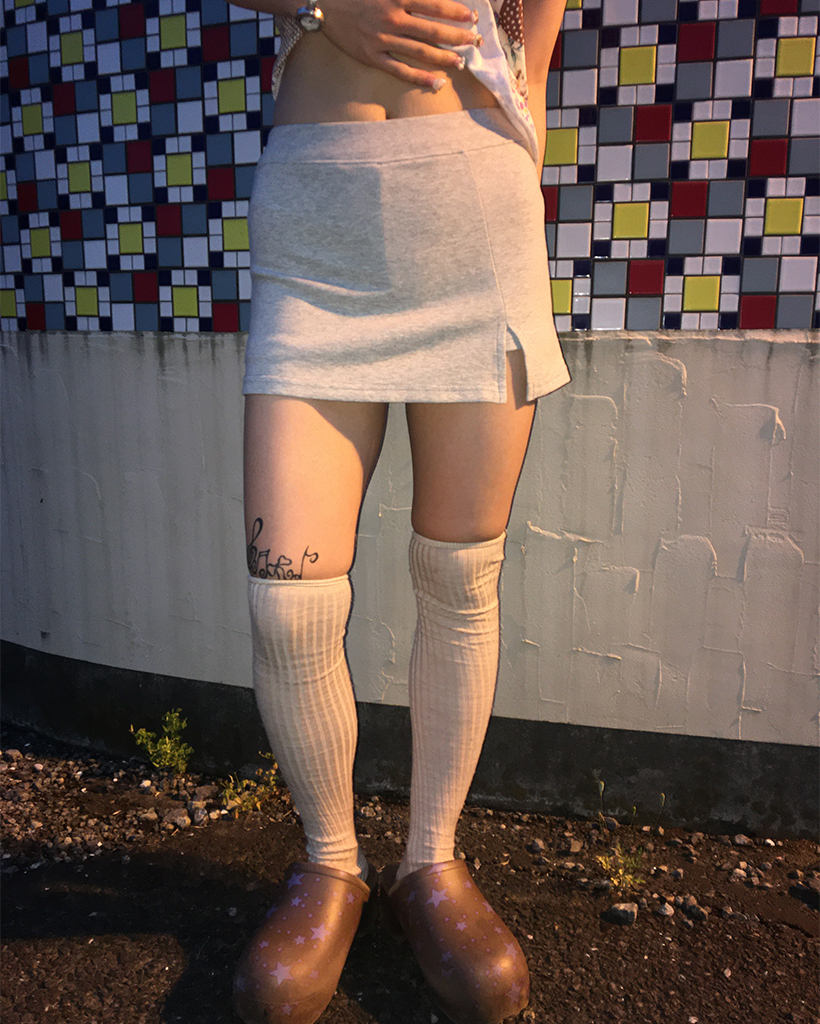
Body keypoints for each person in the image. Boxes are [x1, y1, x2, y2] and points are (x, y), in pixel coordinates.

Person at [227, 1, 570, 1022]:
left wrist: (522, 127)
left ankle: (432, 858)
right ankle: (331, 860)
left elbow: (537, 25)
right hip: (317, 216)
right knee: (287, 604)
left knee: (461, 576)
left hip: (479, 209)